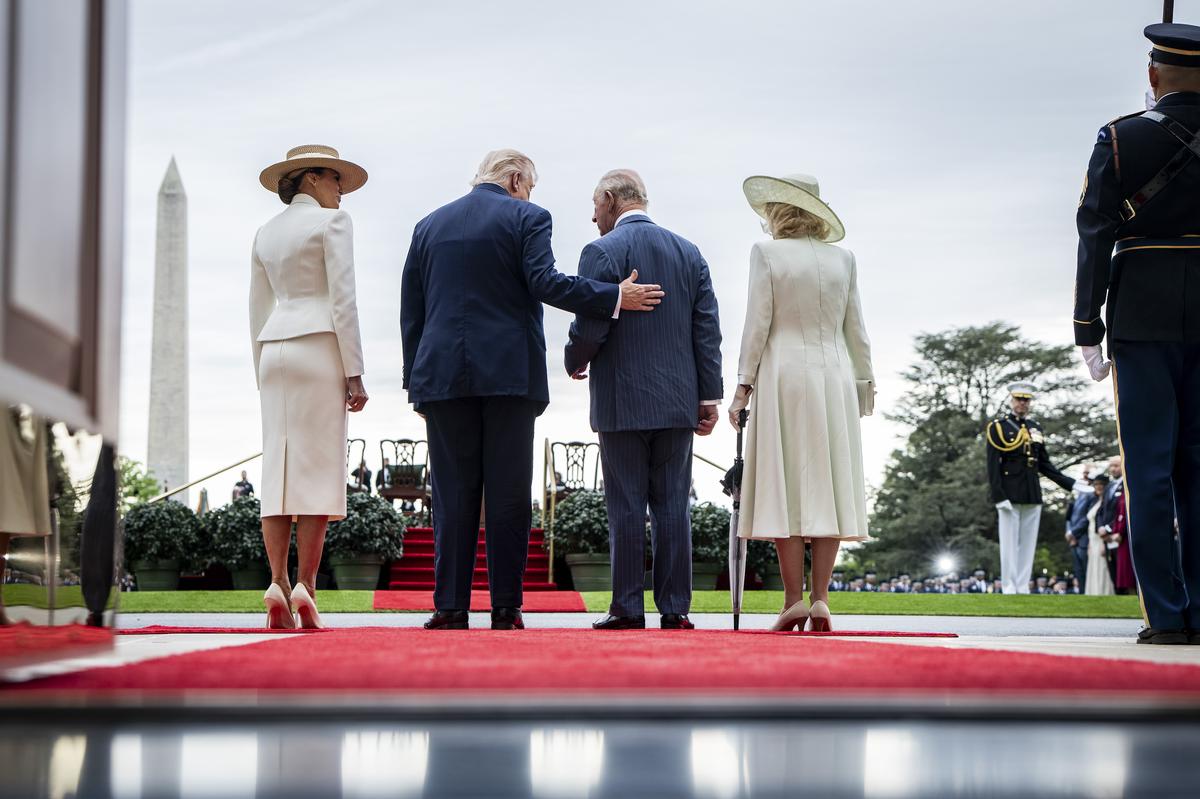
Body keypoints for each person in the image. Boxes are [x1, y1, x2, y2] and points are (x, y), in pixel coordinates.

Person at [401, 149, 663, 631]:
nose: (530, 195)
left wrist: (415, 381)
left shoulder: (428, 225)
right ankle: (505, 606)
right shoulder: (528, 217)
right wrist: (613, 296)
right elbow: (545, 282)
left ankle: (450, 606)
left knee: (452, 493)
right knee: (507, 494)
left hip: (439, 377)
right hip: (509, 375)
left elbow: (412, 311)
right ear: (517, 178)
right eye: (530, 186)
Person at [1074, 22, 1200, 644]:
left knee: (1148, 467)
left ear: (1154, 76)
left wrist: (1086, 325)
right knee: (1199, 470)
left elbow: (1095, 231)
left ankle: (1167, 616)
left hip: (1143, 308)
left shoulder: (1121, 137)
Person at [564, 169, 723, 631]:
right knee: (674, 504)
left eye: (595, 206)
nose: (593, 217)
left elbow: (590, 324)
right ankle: (675, 609)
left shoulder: (601, 251)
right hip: (678, 401)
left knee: (626, 505)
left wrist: (576, 359)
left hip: (621, 400)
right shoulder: (689, 252)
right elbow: (706, 331)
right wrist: (707, 396)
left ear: (611, 199)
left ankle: (627, 607)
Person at [728, 173, 874, 633]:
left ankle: (793, 600)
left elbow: (758, 324)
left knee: (783, 484)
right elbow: (857, 329)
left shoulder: (767, 254)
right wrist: (864, 383)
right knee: (827, 482)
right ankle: (822, 599)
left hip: (782, 376)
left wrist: (742, 386)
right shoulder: (843, 259)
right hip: (834, 377)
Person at [251, 145, 369, 629]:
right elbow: (344, 298)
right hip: (319, 347)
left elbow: (257, 306)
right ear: (312, 180)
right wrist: (354, 370)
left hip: (273, 347)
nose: (341, 188)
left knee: (277, 470)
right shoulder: (332, 224)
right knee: (318, 469)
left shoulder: (264, 233)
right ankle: (307, 586)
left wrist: (258, 363)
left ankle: (276, 583)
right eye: (335, 178)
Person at [985, 382, 1076, 594]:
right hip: (1008, 491)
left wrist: (1070, 484)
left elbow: (1043, 464)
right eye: (1019, 399)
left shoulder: (1035, 427)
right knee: (1008, 542)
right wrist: (998, 495)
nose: (1022, 403)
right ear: (1011, 400)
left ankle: (1023, 585)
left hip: (1031, 491)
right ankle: (1009, 585)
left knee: (1028, 543)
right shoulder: (999, 427)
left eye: (1026, 400)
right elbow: (992, 465)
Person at [1085, 475, 1115, 596]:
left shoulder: (1108, 502)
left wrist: (1104, 543)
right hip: (1092, 540)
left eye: (1101, 485)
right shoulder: (1094, 502)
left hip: (1101, 539)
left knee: (1103, 567)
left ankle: (1105, 593)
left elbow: (1107, 520)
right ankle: (1094, 593)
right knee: (1094, 568)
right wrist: (1089, 544)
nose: (1098, 487)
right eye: (1096, 485)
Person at [1066, 473, 1095, 593]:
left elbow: (1086, 518)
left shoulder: (1092, 495)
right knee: (1078, 570)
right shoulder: (1077, 496)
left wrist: (1073, 533)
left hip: (1083, 538)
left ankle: (1088, 592)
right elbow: (1069, 517)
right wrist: (1068, 532)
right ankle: (1082, 593)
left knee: (1085, 568)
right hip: (1073, 539)